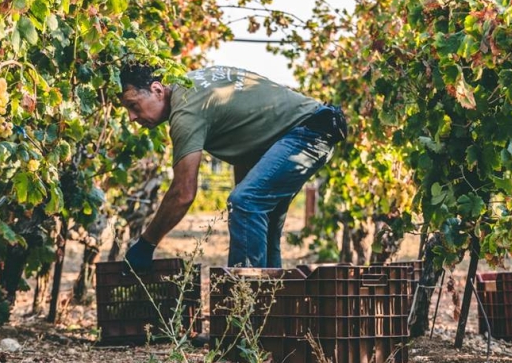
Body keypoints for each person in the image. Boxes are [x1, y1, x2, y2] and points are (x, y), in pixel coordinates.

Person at [118, 63, 347, 270]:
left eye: (133, 105)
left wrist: (146, 244)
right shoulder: (192, 83)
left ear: (157, 89)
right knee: (261, 220)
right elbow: (249, 140)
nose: (131, 117)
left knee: (245, 202)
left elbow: (183, 193)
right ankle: (269, 301)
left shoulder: (185, 111)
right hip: (314, 128)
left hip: (308, 132)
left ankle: (244, 298)